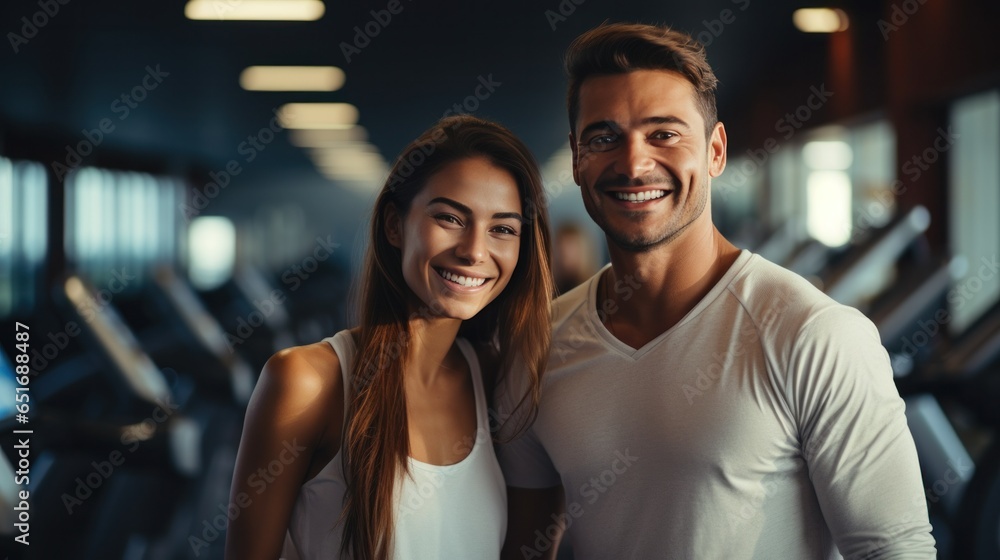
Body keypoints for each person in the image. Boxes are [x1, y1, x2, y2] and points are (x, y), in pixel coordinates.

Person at [497, 22, 937, 559]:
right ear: (576, 158)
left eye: (664, 133)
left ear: (715, 151)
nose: (634, 164)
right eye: (604, 137)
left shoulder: (816, 335)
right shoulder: (538, 345)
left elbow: (895, 551)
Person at [225, 114, 553, 560]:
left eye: (503, 229)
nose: (475, 250)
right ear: (395, 226)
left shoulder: (498, 381)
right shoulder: (307, 382)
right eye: (450, 218)